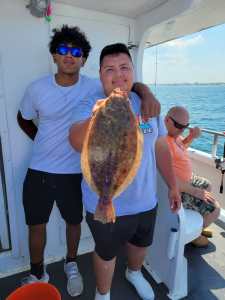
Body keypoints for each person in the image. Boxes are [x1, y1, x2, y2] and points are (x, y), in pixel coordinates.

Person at [17, 25, 161, 296]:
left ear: (83, 59)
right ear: (54, 56)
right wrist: (40, 139)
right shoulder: (37, 88)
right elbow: (23, 117)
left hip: (75, 170)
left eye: (76, 51)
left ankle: (72, 264)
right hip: (40, 168)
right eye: (63, 50)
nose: (69, 56)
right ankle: (37, 273)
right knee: (36, 225)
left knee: (73, 223)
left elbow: (127, 84)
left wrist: (147, 93)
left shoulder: (96, 86)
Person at [69, 43, 181, 300]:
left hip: (145, 201)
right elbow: (75, 141)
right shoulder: (90, 104)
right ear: (100, 75)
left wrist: (173, 185)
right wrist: (95, 118)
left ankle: (134, 273)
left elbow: (161, 147)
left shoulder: (146, 104)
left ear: (133, 71)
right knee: (106, 252)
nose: (118, 75)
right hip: (104, 201)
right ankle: (103, 293)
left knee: (140, 245)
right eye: (110, 69)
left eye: (124, 68)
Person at [164, 106, 221, 247]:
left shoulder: (174, 136)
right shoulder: (162, 142)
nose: (182, 130)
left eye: (185, 126)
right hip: (178, 189)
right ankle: (190, 236)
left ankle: (199, 225)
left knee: (207, 184)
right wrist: (195, 191)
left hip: (187, 180)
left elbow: (181, 147)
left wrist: (191, 137)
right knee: (216, 209)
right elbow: (166, 177)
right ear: (166, 120)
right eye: (179, 126)